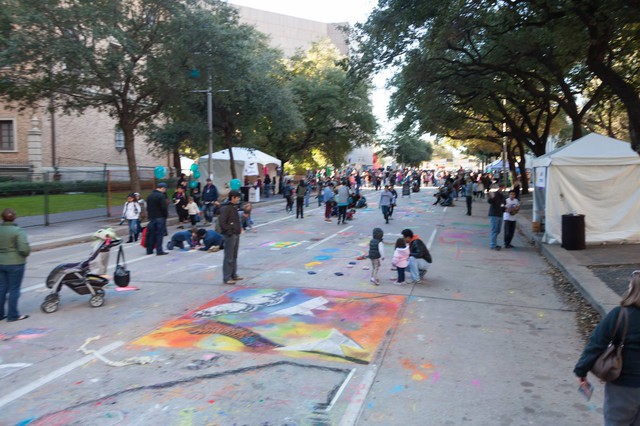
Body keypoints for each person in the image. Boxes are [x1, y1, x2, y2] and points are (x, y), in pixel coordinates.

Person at [574, 271, 640, 425]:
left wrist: (581, 371)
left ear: (633, 290)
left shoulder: (620, 314)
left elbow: (596, 344)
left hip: (624, 385)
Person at [0, 208, 31, 322]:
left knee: (1, 288)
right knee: (14, 289)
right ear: (15, 217)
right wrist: (26, 253)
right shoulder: (18, 231)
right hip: (15, 263)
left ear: (2, 218)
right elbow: (24, 249)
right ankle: (12, 315)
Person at [219, 190, 243, 285]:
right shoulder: (226, 208)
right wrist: (230, 231)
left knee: (234, 256)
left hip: (236, 233)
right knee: (229, 256)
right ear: (232, 197)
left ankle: (234, 274)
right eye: (237, 197)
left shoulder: (234, 207)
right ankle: (227, 277)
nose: (238, 199)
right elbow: (222, 223)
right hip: (230, 235)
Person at [146, 182, 169, 256]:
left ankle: (149, 250)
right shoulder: (161, 196)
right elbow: (163, 207)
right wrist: (165, 215)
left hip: (152, 217)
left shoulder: (149, 196)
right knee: (159, 234)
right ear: (162, 188)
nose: (165, 190)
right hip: (160, 217)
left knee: (151, 234)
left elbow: (148, 208)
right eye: (165, 189)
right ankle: (159, 250)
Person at [488, 183, 506, 250]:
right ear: (499, 188)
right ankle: (493, 245)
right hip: (494, 214)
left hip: (500, 214)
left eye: (503, 188)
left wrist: (505, 209)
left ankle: (494, 243)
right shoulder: (495, 194)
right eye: (501, 187)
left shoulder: (503, 197)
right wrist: (492, 197)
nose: (502, 189)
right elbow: (490, 201)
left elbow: (503, 205)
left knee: (498, 230)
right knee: (494, 230)